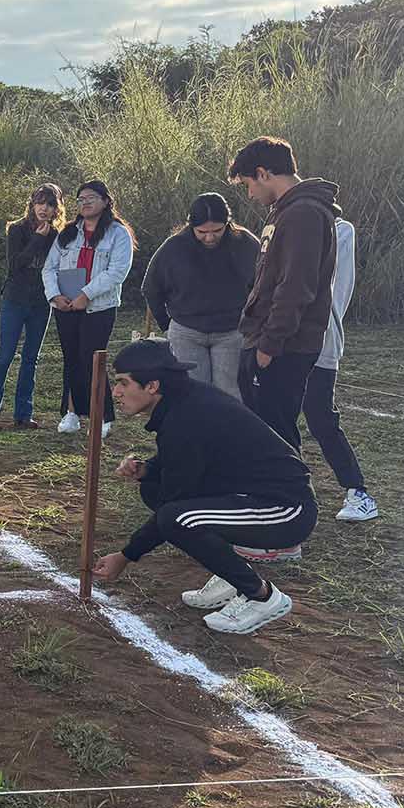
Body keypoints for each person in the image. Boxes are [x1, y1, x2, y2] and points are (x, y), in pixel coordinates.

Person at [91, 339, 316, 636]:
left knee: (176, 519)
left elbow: (175, 499)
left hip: (286, 508)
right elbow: (187, 461)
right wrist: (148, 469)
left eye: (122, 383)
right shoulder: (184, 404)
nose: (116, 392)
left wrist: (126, 555)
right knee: (153, 490)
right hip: (249, 496)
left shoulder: (187, 415)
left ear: (152, 386)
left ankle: (262, 597)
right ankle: (231, 575)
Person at [229, 135, 339, 448]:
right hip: (266, 338)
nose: (250, 194)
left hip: (283, 346)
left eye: (249, 183)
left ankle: (292, 497)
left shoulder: (303, 213)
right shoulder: (285, 211)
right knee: (260, 431)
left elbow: (296, 287)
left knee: (275, 435)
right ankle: (267, 495)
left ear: (264, 173)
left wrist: (270, 345)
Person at [141, 193, 259, 399]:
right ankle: (197, 431)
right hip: (186, 332)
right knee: (192, 392)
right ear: (191, 226)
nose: (210, 237)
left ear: (228, 223)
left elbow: (263, 285)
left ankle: (228, 431)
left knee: (230, 392)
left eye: (217, 230)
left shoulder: (246, 244)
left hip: (232, 331)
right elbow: (151, 288)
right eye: (202, 232)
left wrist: (253, 321)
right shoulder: (173, 248)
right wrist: (166, 324)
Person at [302, 217, 380, 522]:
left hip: (320, 344)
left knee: (321, 419)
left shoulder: (340, 230)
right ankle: (281, 491)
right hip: (282, 344)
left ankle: (358, 492)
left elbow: (336, 291)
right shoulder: (281, 226)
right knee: (275, 419)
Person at [42, 180, 134, 436]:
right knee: (71, 359)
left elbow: (117, 271)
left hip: (99, 307)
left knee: (92, 359)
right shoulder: (68, 233)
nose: (85, 203)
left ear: (106, 201)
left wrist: (86, 294)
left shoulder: (118, 233)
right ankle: (72, 413)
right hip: (66, 307)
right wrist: (55, 295)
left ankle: (102, 415)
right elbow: (49, 268)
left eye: (91, 197)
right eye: (81, 199)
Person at [0, 184, 64, 429]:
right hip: (15, 301)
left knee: (31, 358)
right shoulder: (16, 230)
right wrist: (38, 239)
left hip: (41, 304)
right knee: (4, 357)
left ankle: (23, 415)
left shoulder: (57, 236)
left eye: (50, 204)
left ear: (56, 209)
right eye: (41, 202)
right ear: (32, 202)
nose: (45, 208)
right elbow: (15, 265)